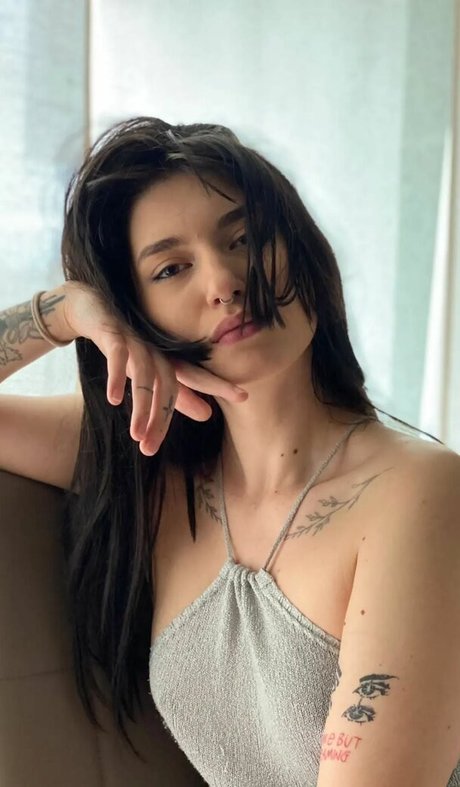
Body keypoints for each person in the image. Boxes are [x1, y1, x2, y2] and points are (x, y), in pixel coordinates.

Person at [1, 116, 460, 787]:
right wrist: (64, 312)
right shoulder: (153, 470)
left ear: (298, 249)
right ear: (136, 313)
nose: (223, 281)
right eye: (171, 269)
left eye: (244, 238)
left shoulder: (419, 491)